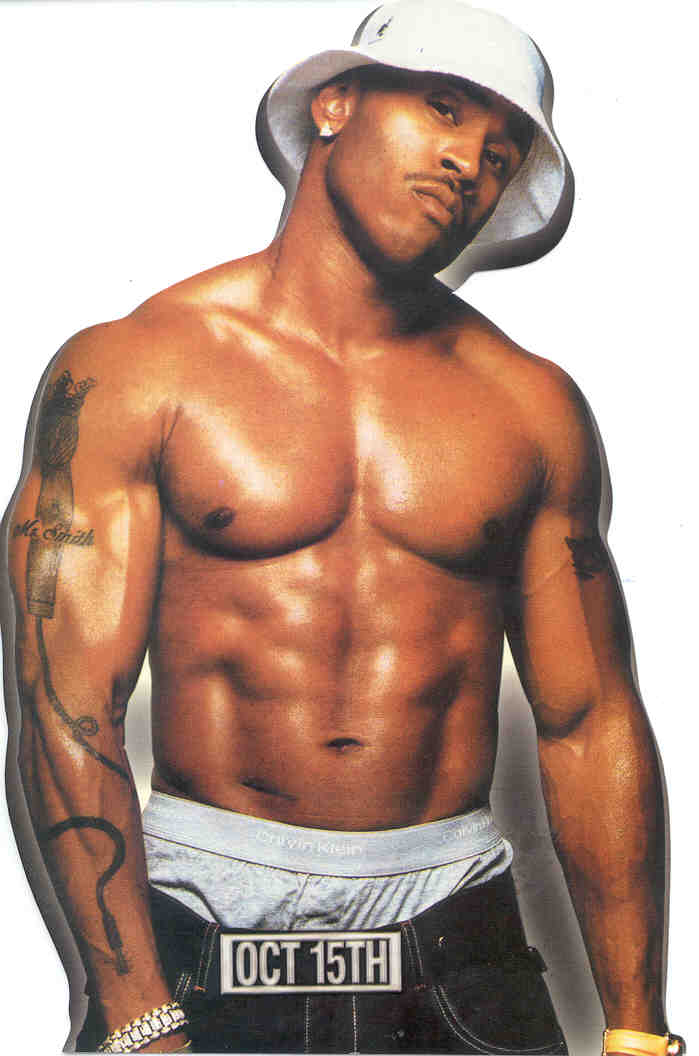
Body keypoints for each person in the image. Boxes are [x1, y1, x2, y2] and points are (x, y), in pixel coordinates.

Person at [0, 1, 687, 1054]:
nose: (469, 161)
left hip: (458, 935)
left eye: (501, 152)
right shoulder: (139, 370)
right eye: (444, 108)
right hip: (200, 931)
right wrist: (135, 1012)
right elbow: (62, 706)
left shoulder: (530, 407)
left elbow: (588, 721)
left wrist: (639, 1031)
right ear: (334, 105)